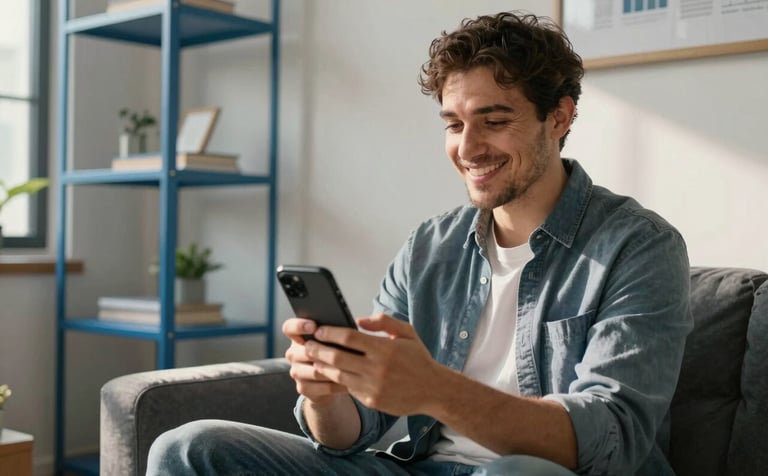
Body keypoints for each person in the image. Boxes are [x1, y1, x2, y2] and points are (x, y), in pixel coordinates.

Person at [146, 11, 691, 476]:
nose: (468, 147)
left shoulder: (639, 247)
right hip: (420, 466)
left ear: (560, 116)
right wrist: (324, 394)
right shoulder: (430, 246)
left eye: (493, 120)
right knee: (189, 450)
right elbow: (351, 434)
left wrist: (434, 389)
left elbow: (610, 442)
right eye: (453, 124)